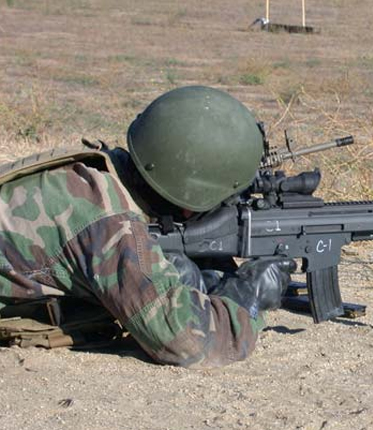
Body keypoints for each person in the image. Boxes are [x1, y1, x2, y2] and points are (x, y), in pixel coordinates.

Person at [0, 86, 296, 367]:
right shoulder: (112, 226)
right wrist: (248, 296)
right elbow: (187, 343)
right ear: (190, 199)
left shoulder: (104, 172)